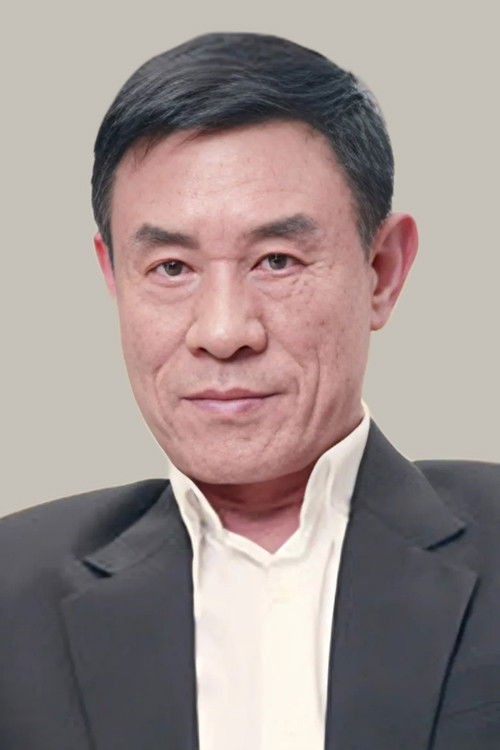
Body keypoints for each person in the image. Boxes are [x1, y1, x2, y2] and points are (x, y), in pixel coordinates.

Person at [1, 31, 499, 750]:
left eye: (276, 260)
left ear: (382, 271)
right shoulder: (11, 594)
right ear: (113, 278)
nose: (224, 330)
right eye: (171, 268)